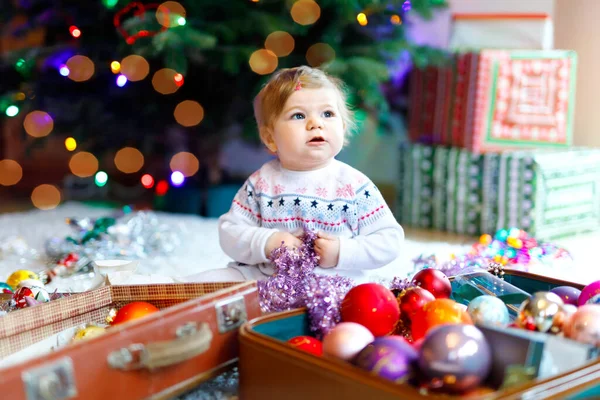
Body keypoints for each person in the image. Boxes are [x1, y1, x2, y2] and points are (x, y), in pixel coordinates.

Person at [204, 66, 404, 282]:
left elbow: (389, 240)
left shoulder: (354, 185)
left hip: (337, 284)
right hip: (265, 280)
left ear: (343, 128)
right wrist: (269, 242)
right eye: (298, 115)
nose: (315, 123)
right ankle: (167, 286)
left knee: (371, 299)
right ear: (270, 137)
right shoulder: (262, 182)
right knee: (209, 282)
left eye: (327, 114)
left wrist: (341, 252)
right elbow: (230, 233)